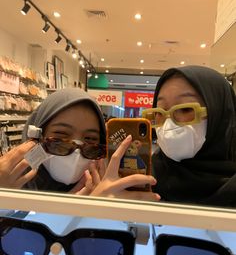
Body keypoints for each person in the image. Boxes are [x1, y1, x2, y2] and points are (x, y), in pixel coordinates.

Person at [21, 87, 158, 201]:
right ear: (36, 135)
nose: (76, 153)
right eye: (61, 137)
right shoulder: (12, 185)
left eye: (91, 140)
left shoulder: (110, 190)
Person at [145, 65, 236, 207]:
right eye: (160, 112)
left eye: (185, 109)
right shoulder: (145, 180)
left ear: (220, 115)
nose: (168, 125)